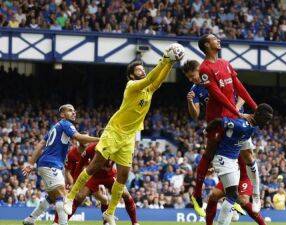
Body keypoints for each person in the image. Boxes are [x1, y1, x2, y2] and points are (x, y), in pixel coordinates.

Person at [64, 45, 184, 225]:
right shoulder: (132, 86)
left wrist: (170, 64)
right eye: (139, 70)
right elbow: (152, 77)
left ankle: (110, 212)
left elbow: (157, 81)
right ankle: (69, 197)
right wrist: (164, 60)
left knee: (123, 176)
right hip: (114, 131)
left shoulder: (148, 90)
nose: (143, 72)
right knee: (95, 165)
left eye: (143, 69)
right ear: (131, 76)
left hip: (129, 136)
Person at [182, 53, 261, 216]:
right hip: (219, 124)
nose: (192, 79)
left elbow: (241, 96)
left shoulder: (216, 75)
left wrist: (238, 110)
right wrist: (190, 102)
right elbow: (195, 114)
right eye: (189, 78)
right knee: (211, 155)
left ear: (199, 70)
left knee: (247, 156)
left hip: (238, 121)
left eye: (193, 76)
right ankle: (201, 195)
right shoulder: (195, 90)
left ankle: (246, 194)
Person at [22, 104, 99, 225]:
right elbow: (80, 138)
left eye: (74, 111)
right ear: (62, 115)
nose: (74, 113)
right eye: (70, 111)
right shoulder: (66, 124)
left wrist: (31, 163)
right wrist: (100, 139)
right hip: (51, 164)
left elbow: (41, 144)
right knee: (63, 196)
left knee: (52, 197)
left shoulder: (55, 127)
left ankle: (30, 219)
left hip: (46, 163)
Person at [206, 103, 273, 225]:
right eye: (266, 120)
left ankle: (260, 221)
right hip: (232, 169)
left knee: (241, 199)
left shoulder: (248, 132)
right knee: (214, 195)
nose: (267, 123)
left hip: (243, 176)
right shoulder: (242, 127)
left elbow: (250, 160)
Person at [206, 156, 267, 225]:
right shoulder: (224, 148)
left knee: (243, 201)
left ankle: (262, 224)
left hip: (244, 178)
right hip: (230, 176)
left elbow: (250, 162)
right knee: (214, 195)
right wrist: (213, 167)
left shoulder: (243, 148)